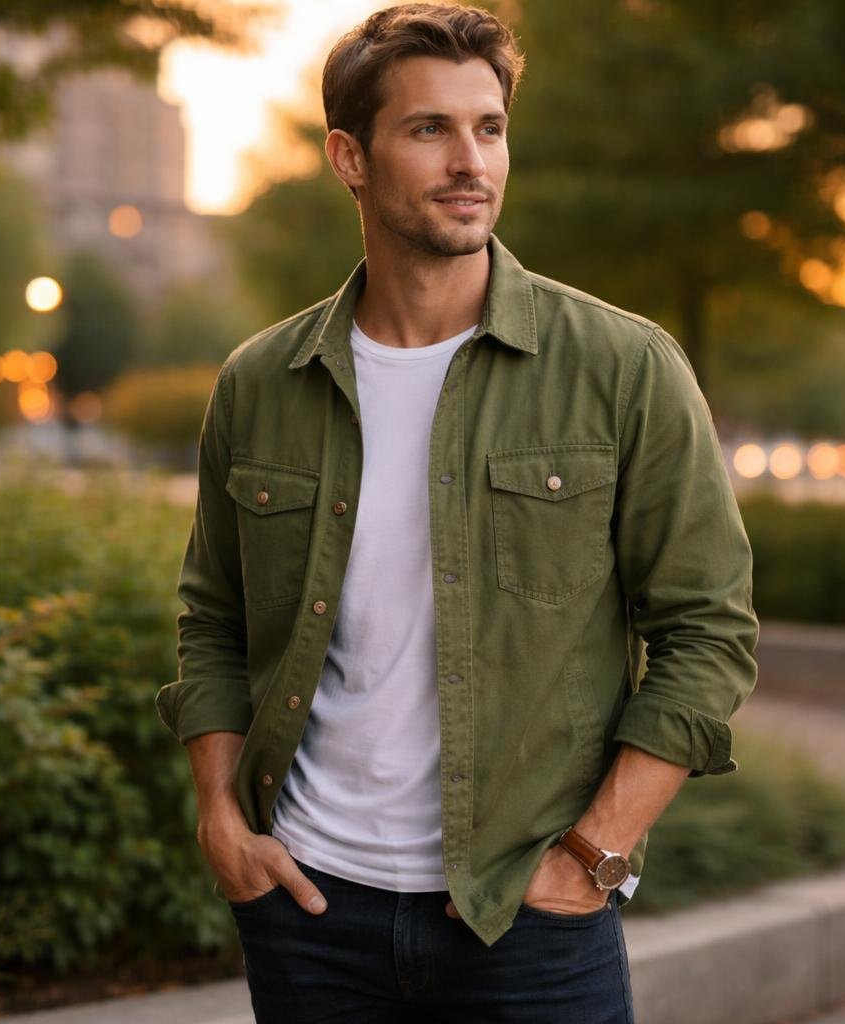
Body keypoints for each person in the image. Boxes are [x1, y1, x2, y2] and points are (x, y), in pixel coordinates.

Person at [156, 4, 759, 1021]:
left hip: (528, 916)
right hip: (309, 907)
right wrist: (220, 812)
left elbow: (708, 632)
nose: (468, 160)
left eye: (488, 127)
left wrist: (595, 853)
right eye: (428, 129)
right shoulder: (261, 382)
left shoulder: (622, 368)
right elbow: (213, 622)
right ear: (350, 157)